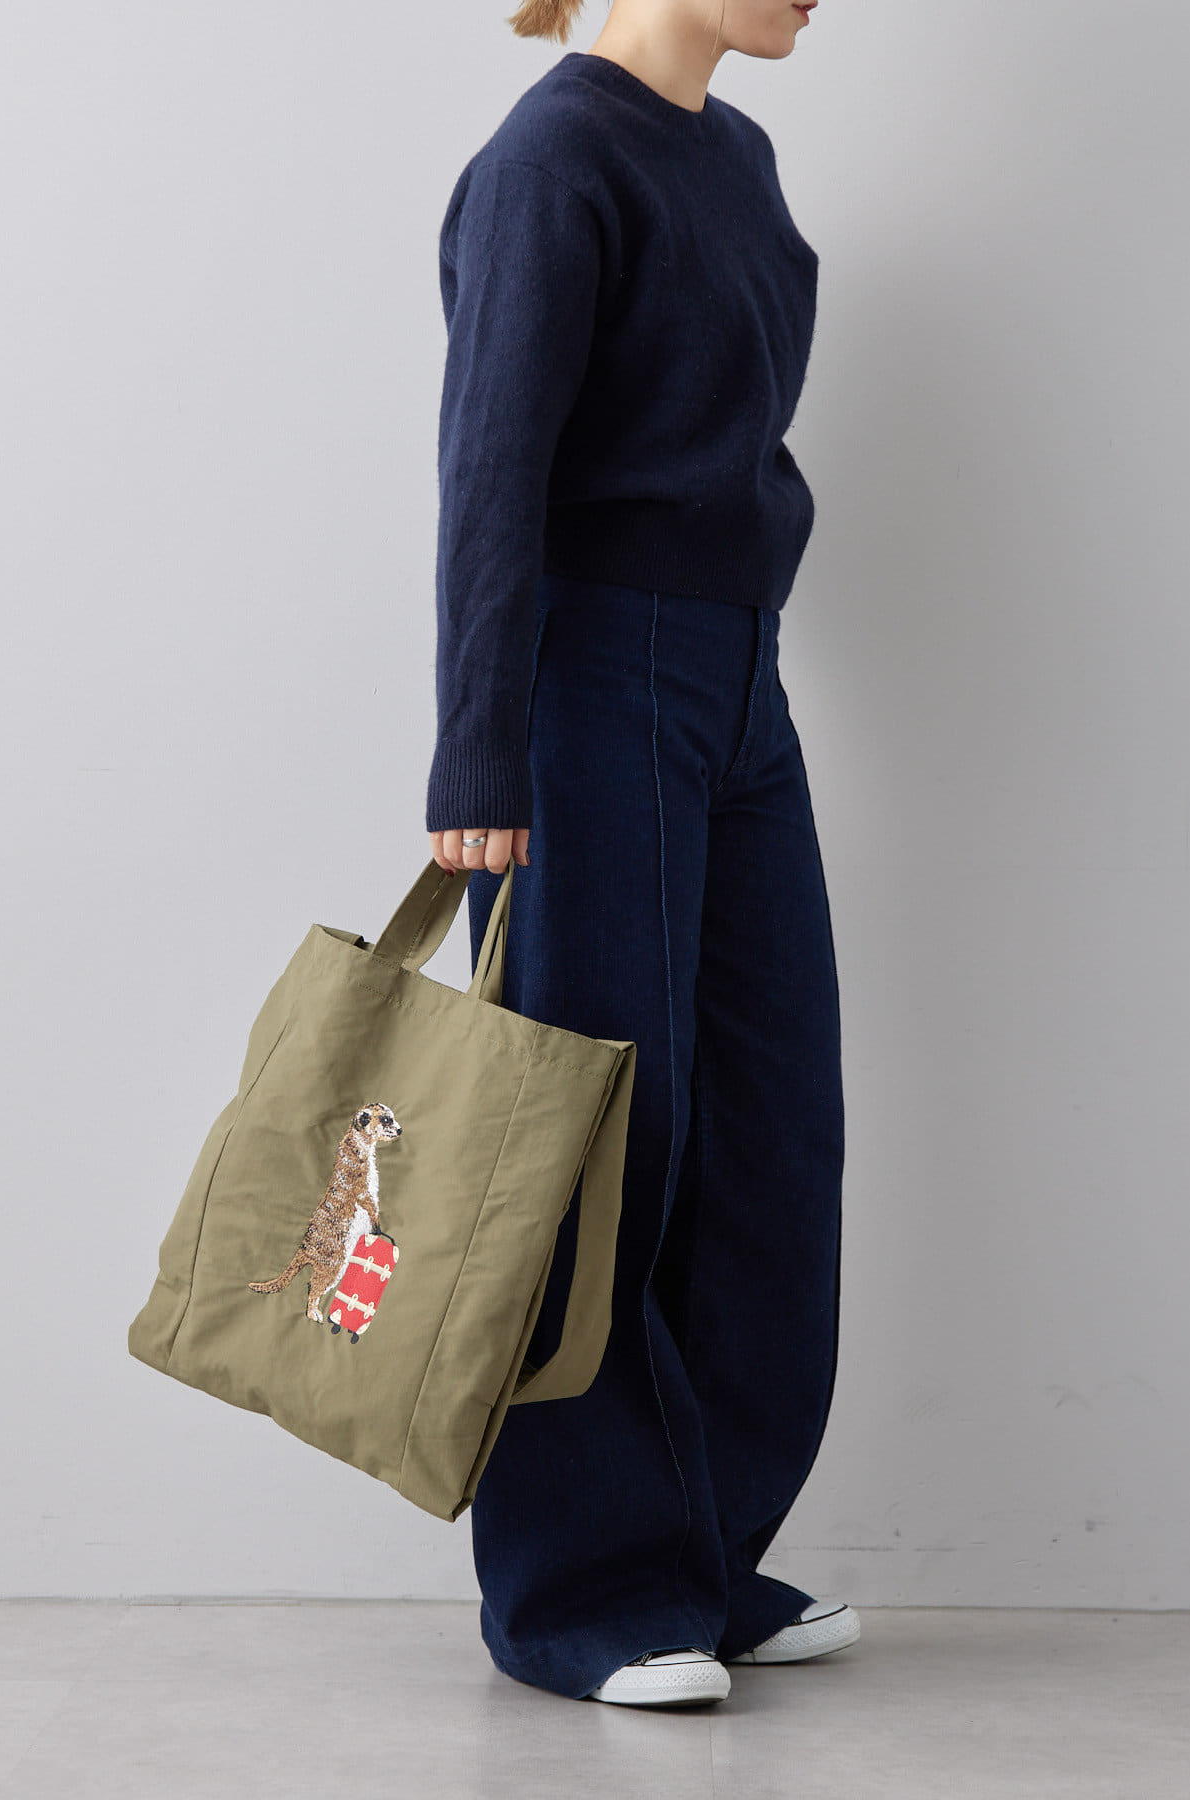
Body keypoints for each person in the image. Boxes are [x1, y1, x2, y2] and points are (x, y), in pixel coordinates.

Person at [423, 0, 855, 1708]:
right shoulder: (550, 162)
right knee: (590, 1138)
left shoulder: (735, 155)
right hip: (587, 680)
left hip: (739, 686)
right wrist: (480, 747)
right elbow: (491, 468)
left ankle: (700, 1553)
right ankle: (578, 1593)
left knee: (770, 1131)